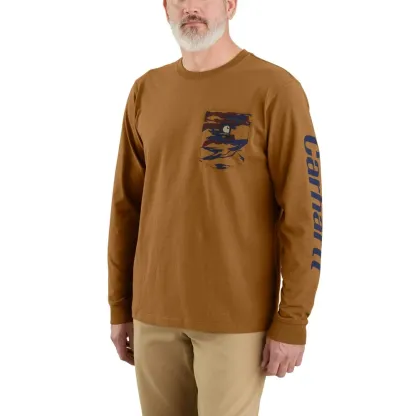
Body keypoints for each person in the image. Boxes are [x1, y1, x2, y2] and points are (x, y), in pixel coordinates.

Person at [107, 0, 323, 414]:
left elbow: (303, 213)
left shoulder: (275, 89)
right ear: (165, 8)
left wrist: (293, 318)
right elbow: (125, 208)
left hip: (236, 319)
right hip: (153, 314)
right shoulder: (146, 90)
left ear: (230, 5)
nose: (191, 7)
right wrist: (119, 304)